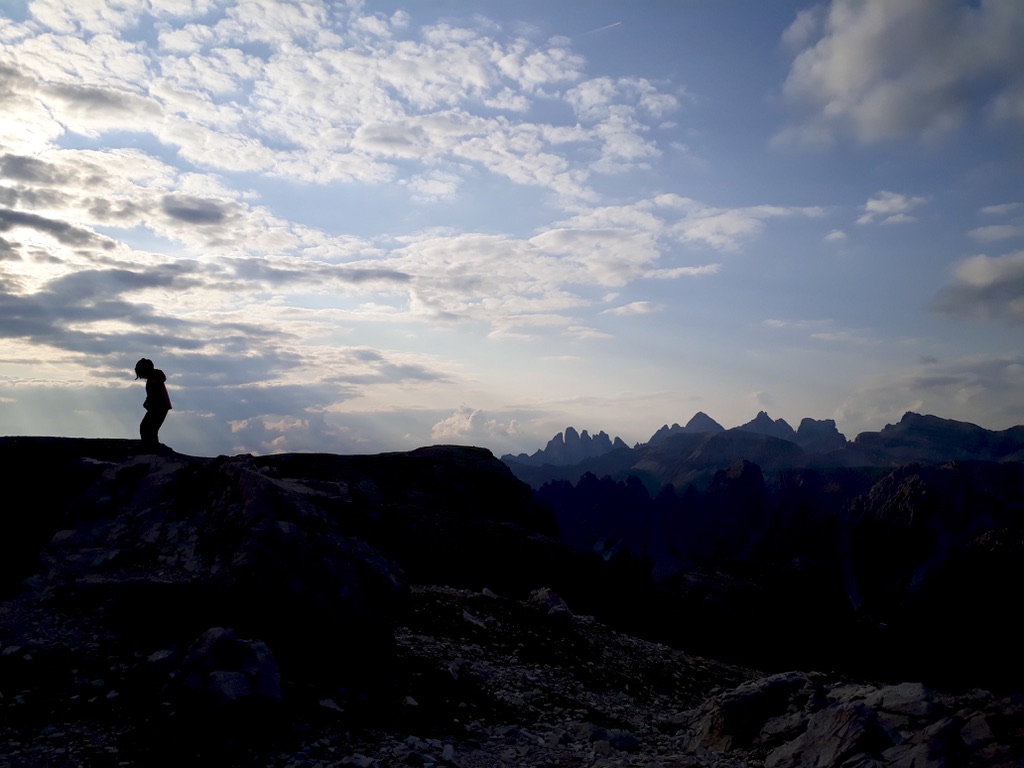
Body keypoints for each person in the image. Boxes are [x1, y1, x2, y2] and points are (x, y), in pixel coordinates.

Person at [134, 358, 172, 451]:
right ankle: (152, 449)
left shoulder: (153, 379)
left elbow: (153, 393)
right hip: (160, 407)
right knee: (149, 429)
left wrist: (148, 402)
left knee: (146, 428)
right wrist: (148, 402)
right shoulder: (154, 377)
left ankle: (151, 450)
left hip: (158, 407)